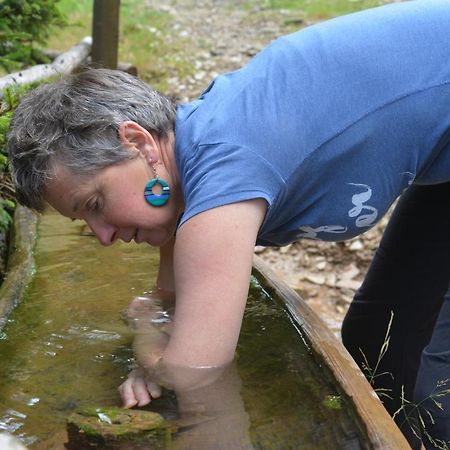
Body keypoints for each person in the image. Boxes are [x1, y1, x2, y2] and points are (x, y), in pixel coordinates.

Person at [6, 0, 450, 447]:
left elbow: (198, 372)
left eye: (96, 203)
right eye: (83, 219)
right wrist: (155, 332)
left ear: (138, 142)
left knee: (442, 388)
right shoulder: (189, 163)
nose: (102, 237)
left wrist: (148, 347)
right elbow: (168, 300)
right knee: (379, 335)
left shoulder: (221, 185)